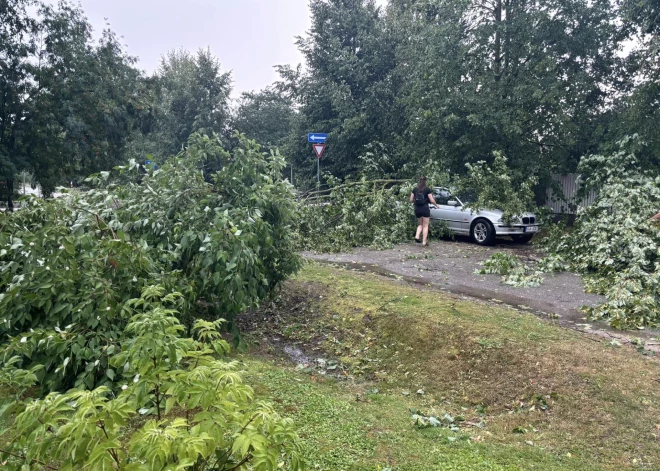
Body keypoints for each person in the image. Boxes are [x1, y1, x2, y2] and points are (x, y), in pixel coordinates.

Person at [410, 177, 438, 247]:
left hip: (417, 209)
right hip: (425, 209)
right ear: (425, 182)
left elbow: (411, 200)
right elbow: (431, 200)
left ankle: (417, 236)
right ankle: (424, 242)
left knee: (420, 224)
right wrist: (436, 205)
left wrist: (416, 202)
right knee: (425, 225)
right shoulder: (427, 189)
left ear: (419, 181)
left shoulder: (415, 189)